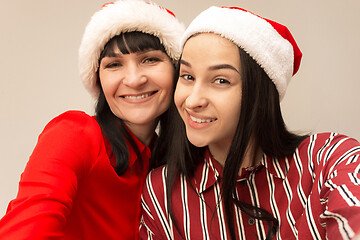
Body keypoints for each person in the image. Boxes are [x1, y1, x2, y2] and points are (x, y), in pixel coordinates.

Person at [139, 6, 360, 240]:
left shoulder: (328, 158)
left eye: (221, 80)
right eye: (188, 77)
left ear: (260, 96)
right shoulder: (161, 192)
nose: (193, 101)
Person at [0, 0, 184, 239]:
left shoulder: (170, 164)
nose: (134, 79)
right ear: (98, 79)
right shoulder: (76, 133)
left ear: (176, 70)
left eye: (149, 59)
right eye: (114, 64)